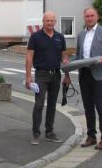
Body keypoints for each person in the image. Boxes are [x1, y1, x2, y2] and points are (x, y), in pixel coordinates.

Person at [74, 7, 102, 150]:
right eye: (87, 16)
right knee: (88, 107)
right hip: (84, 74)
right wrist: (68, 62)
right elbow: (79, 56)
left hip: (99, 75)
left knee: (100, 107)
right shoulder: (81, 35)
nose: (90, 18)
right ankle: (91, 136)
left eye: (92, 16)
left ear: (97, 17)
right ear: (84, 18)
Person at [25, 11, 70, 145]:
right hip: (41, 75)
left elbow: (64, 58)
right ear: (43, 22)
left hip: (56, 74)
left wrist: (67, 75)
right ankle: (35, 133)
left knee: (52, 105)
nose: (50, 22)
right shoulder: (35, 37)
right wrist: (28, 76)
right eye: (47, 20)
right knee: (39, 104)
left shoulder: (60, 37)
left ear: (55, 22)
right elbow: (29, 56)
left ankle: (49, 132)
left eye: (52, 20)